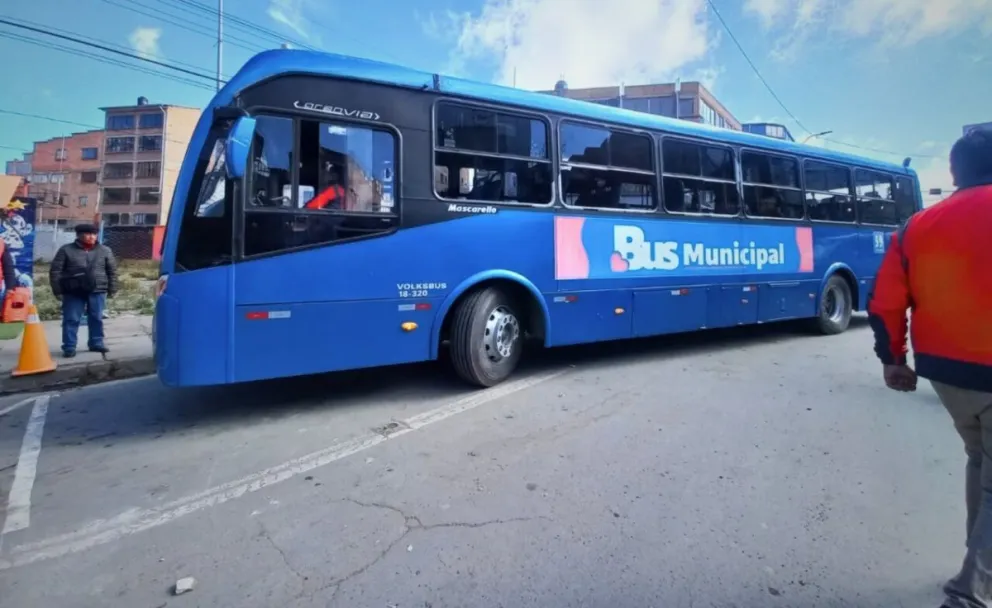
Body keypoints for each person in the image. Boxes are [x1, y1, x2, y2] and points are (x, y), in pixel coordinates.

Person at [868, 128, 992, 608]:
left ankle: (978, 561)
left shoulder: (916, 226)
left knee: (980, 457)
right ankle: (970, 592)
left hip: (945, 371)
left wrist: (894, 361)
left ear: (955, 171)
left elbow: (884, 303)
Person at [49, 224, 118, 358]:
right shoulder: (66, 250)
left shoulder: (105, 250)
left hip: (98, 289)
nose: (91, 237)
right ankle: (69, 346)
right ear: (79, 235)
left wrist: (112, 288)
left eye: (94, 234)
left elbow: (112, 271)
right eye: (88, 234)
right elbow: (56, 271)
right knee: (71, 319)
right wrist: (57, 291)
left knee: (96, 318)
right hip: (73, 290)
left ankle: (96, 342)